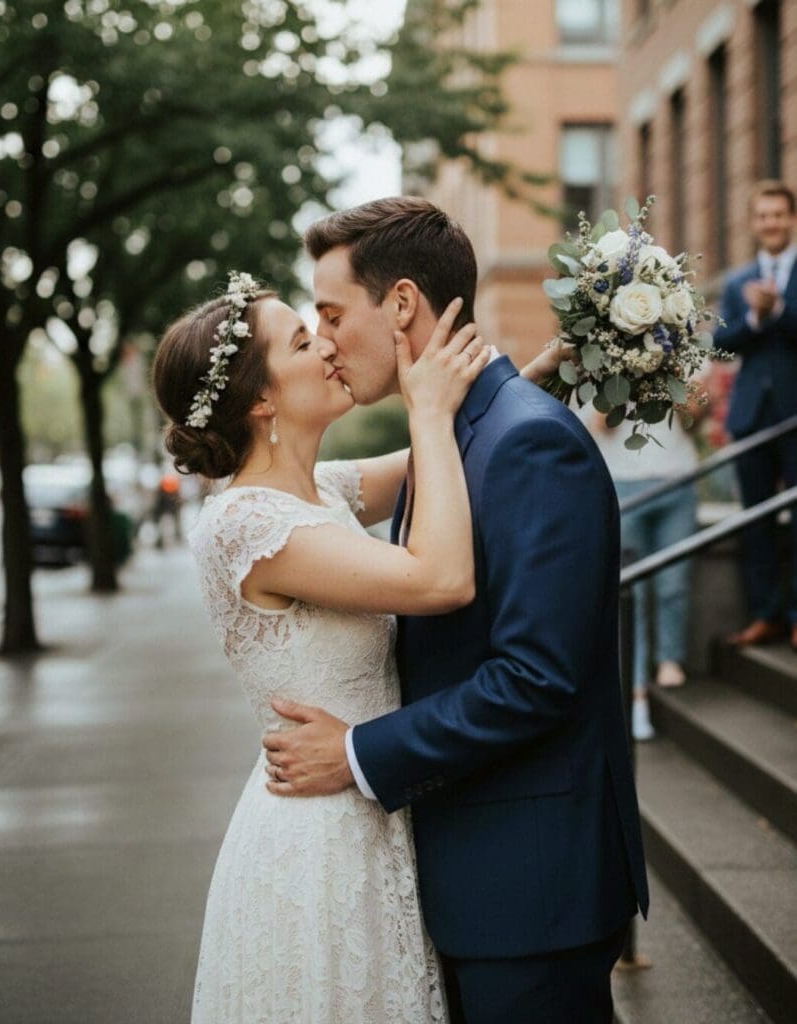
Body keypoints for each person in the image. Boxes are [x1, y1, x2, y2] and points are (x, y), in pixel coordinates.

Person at [262, 197, 648, 1024]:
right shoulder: (459, 435)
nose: (323, 339)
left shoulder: (524, 442)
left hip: (529, 889)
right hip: (475, 873)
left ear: (401, 304)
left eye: (331, 314)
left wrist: (358, 751)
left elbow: (537, 677)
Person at [153, 265, 574, 1022]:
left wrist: (530, 378)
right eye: (303, 340)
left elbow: (454, 459)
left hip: (371, 808)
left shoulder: (322, 493)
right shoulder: (249, 525)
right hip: (316, 838)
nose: (328, 348)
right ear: (259, 397)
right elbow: (440, 577)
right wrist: (426, 412)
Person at [715, 180, 797, 652]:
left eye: (778, 214)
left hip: (794, 415)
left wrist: (780, 310)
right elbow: (722, 344)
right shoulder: (735, 282)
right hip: (751, 415)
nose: (770, 223)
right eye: (763, 215)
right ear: (753, 223)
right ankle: (766, 615)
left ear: (790, 219)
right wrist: (754, 319)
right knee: (754, 523)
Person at [584, 411, 700, 741]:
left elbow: (697, 418)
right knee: (628, 593)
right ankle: (634, 694)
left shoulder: (686, 357)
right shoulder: (598, 360)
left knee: (673, 584)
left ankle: (670, 660)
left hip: (677, 477)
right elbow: (601, 425)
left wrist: (673, 375)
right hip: (622, 480)